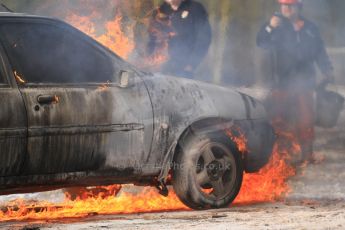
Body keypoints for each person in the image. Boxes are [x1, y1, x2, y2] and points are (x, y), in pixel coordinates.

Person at [256, 0, 335, 164]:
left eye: (290, 5)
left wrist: (327, 69)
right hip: (281, 82)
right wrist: (270, 27)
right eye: (283, 5)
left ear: (298, 7)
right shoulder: (275, 25)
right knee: (279, 119)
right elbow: (261, 42)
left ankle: (307, 154)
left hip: (305, 82)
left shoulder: (310, 28)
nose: (286, 8)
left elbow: (320, 51)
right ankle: (280, 156)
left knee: (306, 119)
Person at [147, 0, 211, 78]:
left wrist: (191, 65)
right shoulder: (161, 9)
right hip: (161, 66)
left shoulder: (195, 8)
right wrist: (149, 58)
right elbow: (153, 37)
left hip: (183, 67)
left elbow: (204, 39)